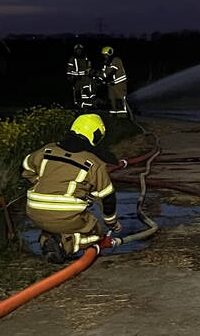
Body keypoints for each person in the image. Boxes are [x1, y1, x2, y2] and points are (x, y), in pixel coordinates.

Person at [22, 114, 122, 263]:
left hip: (34, 212)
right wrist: (112, 222)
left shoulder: (47, 150)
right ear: (95, 136)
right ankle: (67, 244)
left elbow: (25, 168)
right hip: (66, 215)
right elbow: (108, 197)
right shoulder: (94, 163)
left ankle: (48, 240)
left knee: (54, 225)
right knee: (95, 232)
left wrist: (44, 182)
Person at [100, 46, 129, 116]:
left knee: (120, 98)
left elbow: (113, 71)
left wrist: (107, 79)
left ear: (110, 54)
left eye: (106, 55)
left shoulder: (116, 59)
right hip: (111, 84)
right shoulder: (105, 63)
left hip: (119, 82)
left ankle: (124, 115)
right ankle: (114, 114)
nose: (105, 56)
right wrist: (101, 79)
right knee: (112, 98)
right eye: (104, 55)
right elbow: (104, 74)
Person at [66, 44, 94, 110]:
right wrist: (70, 77)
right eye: (77, 50)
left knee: (86, 90)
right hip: (76, 79)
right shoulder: (72, 58)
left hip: (85, 78)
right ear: (75, 51)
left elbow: (89, 67)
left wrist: (89, 72)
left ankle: (88, 104)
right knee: (77, 92)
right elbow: (69, 69)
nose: (79, 51)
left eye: (80, 50)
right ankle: (78, 106)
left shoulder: (85, 57)